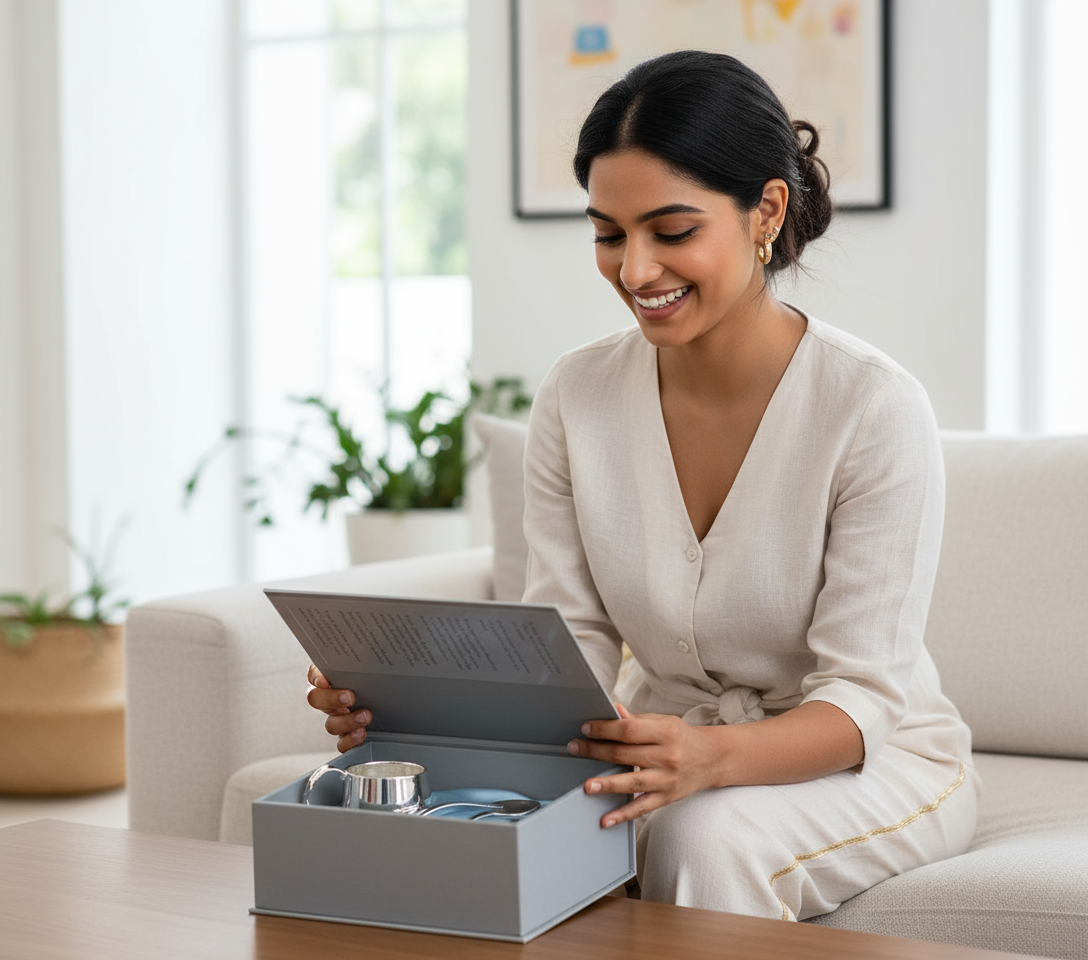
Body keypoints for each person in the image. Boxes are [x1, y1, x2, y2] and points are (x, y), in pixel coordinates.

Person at [307, 49, 979, 923]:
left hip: (871, 762)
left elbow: (862, 702)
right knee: (458, 816)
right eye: (608, 233)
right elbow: (571, 636)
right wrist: (414, 716)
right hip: (660, 744)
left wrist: (708, 760)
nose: (634, 271)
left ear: (766, 210)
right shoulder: (576, 396)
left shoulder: (873, 408)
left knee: (703, 836)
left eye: (672, 231)